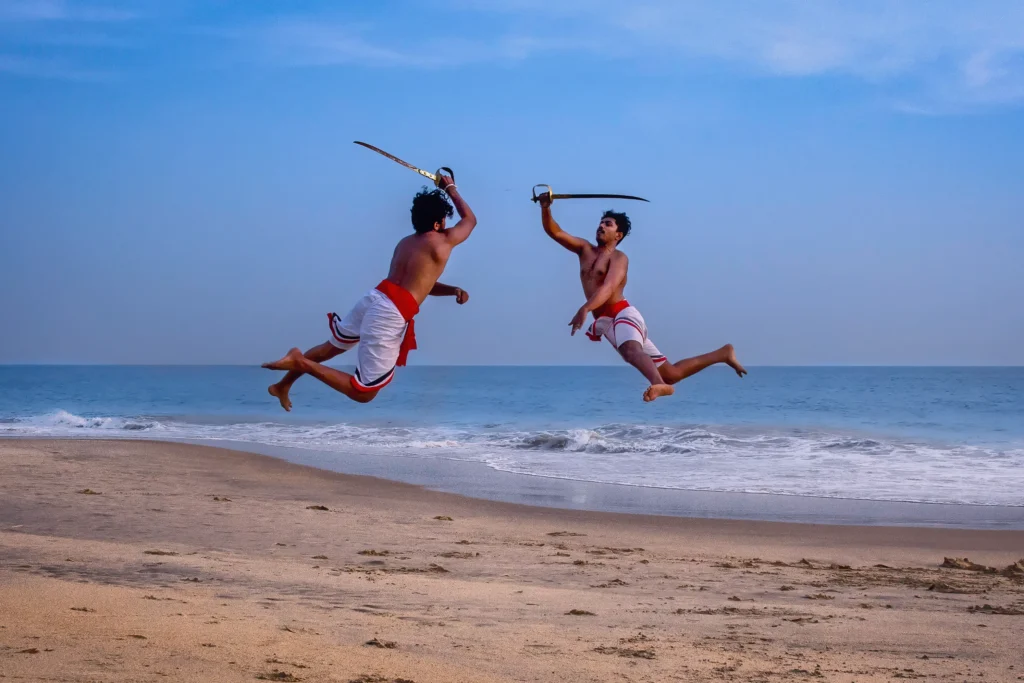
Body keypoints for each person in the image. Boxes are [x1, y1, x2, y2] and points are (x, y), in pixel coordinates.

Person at [263, 175, 475, 408]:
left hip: (376, 299)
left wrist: (452, 290)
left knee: (328, 349)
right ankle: (299, 361)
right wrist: (451, 188)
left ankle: (283, 386)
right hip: (389, 313)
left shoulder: (405, 243)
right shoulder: (442, 241)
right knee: (363, 392)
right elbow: (470, 220)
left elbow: (420, 285)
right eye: (444, 220)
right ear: (437, 224)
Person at [538, 193, 746, 402]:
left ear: (618, 235)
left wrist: (585, 309)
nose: (601, 226)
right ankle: (722, 354)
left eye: (608, 224)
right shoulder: (584, 250)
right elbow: (554, 232)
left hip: (623, 315)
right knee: (671, 374)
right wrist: (545, 207)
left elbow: (609, 287)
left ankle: (658, 385)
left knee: (631, 351)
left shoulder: (619, 258)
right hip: (608, 323)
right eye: (600, 223)